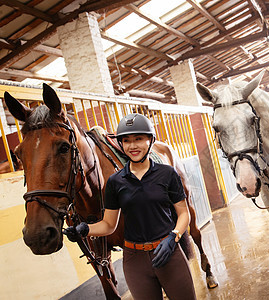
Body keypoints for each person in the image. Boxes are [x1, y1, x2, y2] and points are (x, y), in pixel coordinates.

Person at [65, 113, 196, 300]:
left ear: (150, 140)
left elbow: (183, 214)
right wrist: (85, 230)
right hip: (135, 261)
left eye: (138, 139)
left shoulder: (167, 174)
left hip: (168, 252)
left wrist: (173, 237)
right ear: (121, 144)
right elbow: (109, 225)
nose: (132, 146)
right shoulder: (115, 182)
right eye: (126, 141)